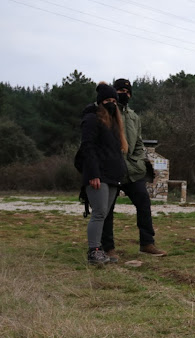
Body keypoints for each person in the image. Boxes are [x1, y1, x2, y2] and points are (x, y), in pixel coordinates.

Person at [100, 78, 167, 261]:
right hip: (112, 170)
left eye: (128, 92)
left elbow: (138, 142)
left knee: (143, 203)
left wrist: (138, 161)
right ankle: (108, 248)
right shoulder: (106, 114)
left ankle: (147, 243)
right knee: (107, 210)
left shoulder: (134, 117)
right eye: (121, 90)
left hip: (132, 171)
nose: (125, 94)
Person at [80, 82, 128, 265]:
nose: (111, 103)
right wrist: (93, 174)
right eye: (107, 100)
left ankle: (99, 250)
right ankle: (94, 251)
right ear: (100, 102)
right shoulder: (91, 120)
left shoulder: (114, 124)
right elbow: (88, 148)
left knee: (104, 213)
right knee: (99, 212)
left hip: (113, 176)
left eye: (113, 100)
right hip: (98, 175)